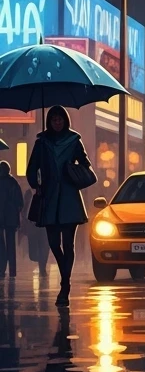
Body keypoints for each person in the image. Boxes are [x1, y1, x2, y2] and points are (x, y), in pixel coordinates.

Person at [25, 107, 95, 308]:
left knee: (69, 244)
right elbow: (32, 168)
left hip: (69, 195)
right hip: (48, 195)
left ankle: (65, 286)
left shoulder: (74, 140)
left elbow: (85, 163)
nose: (57, 122)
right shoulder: (41, 142)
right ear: (49, 121)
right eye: (54, 119)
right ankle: (66, 276)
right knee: (54, 243)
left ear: (65, 120)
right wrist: (36, 186)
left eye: (60, 119)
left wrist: (74, 169)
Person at [0, 160, 23, 279]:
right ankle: (12, 270)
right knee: (11, 245)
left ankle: (1, 268)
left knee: (1, 246)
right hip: (11, 219)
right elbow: (20, 202)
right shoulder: (14, 183)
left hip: (2, 218)